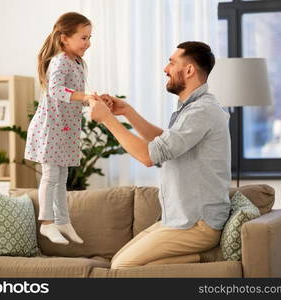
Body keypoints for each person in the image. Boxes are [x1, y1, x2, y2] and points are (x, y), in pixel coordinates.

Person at [89, 41, 231, 268]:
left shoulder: (201, 111)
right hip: (179, 220)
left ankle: (207, 257)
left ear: (189, 70)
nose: (166, 69)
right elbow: (164, 142)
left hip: (197, 224)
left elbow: (149, 156)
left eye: (172, 62)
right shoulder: (192, 108)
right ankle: (203, 258)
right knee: (117, 261)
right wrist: (126, 111)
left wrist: (108, 119)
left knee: (122, 268)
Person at [25, 12, 108, 244]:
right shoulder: (60, 61)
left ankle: (62, 220)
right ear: (64, 38)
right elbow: (56, 91)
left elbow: (74, 95)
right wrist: (85, 96)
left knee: (62, 177)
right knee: (51, 176)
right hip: (51, 127)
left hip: (66, 129)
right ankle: (47, 223)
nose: (88, 43)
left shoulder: (78, 63)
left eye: (89, 37)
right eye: (83, 38)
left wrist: (92, 99)